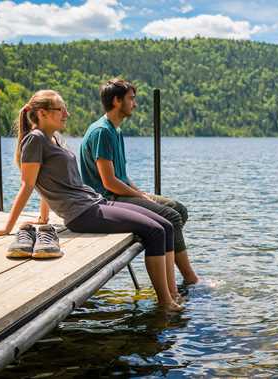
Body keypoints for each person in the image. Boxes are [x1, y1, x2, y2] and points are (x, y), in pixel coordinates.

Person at [0, 90, 182, 311]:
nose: (67, 113)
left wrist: (44, 216)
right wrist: (7, 227)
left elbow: (49, 181)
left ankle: (173, 294)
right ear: (43, 113)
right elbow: (28, 184)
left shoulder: (52, 139)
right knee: (155, 231)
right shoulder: (34, 141)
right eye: (60, 109)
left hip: (94, 202)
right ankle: (165, 303)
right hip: (81, 213)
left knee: (166, 225)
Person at [79, 78, 199, 294]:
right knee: (170, 217)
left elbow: (122, 176)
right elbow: (109, 182)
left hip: (119, 192)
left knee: (178, 209)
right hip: (107, 200)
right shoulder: (102, 132)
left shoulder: (115, 130)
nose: (134, 104)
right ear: (116, 101)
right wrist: (141, 197)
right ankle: (185, 280)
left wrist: (142, 193)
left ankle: (186, 278)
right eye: (131, 99)